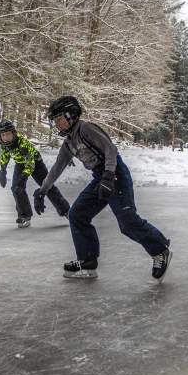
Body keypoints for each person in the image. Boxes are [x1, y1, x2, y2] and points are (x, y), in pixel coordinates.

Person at [33, 96, 172, 282]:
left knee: (127, 221)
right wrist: (43, 190)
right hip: (100, 178)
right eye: (55, 121)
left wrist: (109, 176)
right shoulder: (69, 142)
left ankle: (160, 250)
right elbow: (58, 167)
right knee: (77, 214)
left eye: (59, 119)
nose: (57, 124)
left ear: (71, 115)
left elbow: (111, 150)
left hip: (115, 174)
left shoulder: (86, 129)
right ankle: (88, 261)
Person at [0, 119, 70, 229]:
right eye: (3, 135)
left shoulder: (22, 144)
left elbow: (30, 164)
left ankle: (67, 211)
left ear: (13, 133)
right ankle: (24, 216)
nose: (5, 137)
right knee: (16, 188)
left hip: (35, 162)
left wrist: (24, 176)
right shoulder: (3, 146)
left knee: (47, 186)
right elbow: (4, 157)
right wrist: (3, 171)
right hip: (20, 163)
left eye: (8, 134)